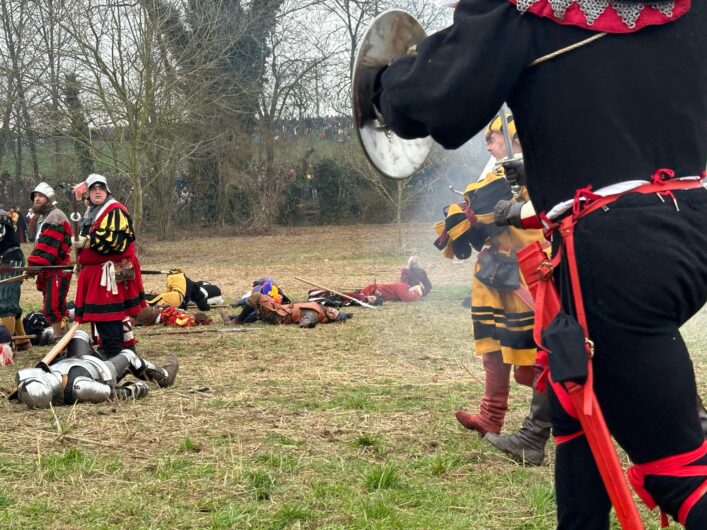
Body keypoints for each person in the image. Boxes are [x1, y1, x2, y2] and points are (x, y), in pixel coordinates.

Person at [374, 1, 706, 527]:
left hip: (618, 255)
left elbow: (440, 102)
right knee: (573, 414)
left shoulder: (530, 8)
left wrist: (384, 84)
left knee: (680, 472)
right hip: (694, 225)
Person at [434, 115, 550, 466]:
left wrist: (479, 210)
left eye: (495, 138)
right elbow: (477, 207)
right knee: (494, 352)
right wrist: (463, 218)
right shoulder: (495, 174)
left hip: (526, 272)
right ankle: (490, 418)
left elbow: (507, 211)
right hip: (493, 274)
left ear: (515, 141)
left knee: (532, 363)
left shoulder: (539, 174)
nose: (488, 144)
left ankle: (572, 411)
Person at [73, 174, 147, 358]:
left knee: (109, 316)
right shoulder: (93, 212)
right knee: (107, 317)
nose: (97, 191)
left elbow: (117, 242)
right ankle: (121, 352)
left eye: (101, 188)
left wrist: (89, 242)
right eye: (93, 189)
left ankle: (115, 355)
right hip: (96, 274)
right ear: (88, 194)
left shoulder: (114, 210)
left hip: (108, 274)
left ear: (107, 191)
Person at [12, 330, 178, 408]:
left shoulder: (45, 379)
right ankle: (164, 376)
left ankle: (97, 351)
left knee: (78, 333)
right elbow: (114, 394)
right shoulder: (80, 387)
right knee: (129, 356)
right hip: (102, 370)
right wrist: (138, 389)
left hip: (77, 360)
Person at [26, 182, 73, 340]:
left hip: (59, 269)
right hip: (51, 269)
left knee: (53, 308)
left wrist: (33, 266)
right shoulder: (43, 217)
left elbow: (48, 246)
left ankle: (61, 339)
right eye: (35, 196)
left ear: (49, 198)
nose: (37, 199)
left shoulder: (56, 216)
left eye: (40, 196)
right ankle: (66, 337)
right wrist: (34, 267)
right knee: (59, 307)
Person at [231, 291, 351, 328]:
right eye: (334, 311)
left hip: (279, 316)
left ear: (330, 319)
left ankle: (238, 320)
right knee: (260, 303)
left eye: (333, 315)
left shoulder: (316, 313)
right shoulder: (320, 307)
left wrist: (308, 323)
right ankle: (234, 318)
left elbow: (308, 320)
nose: (332, 312)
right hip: (280, 310)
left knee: (257, 296)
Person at [0, 209, 31, 351]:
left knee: (6, 303)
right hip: (6, 259)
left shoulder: (1, 216)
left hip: (11, 260)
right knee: (9, 303)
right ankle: (23, 342)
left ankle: (5, 347)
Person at [147, 268, 223, 311]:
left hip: (176, 300)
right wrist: (206, 308)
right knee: (150, 300)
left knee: (148, 300)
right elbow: (199, 300)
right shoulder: (187, 282)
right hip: (177, 300)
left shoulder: (176, 280)